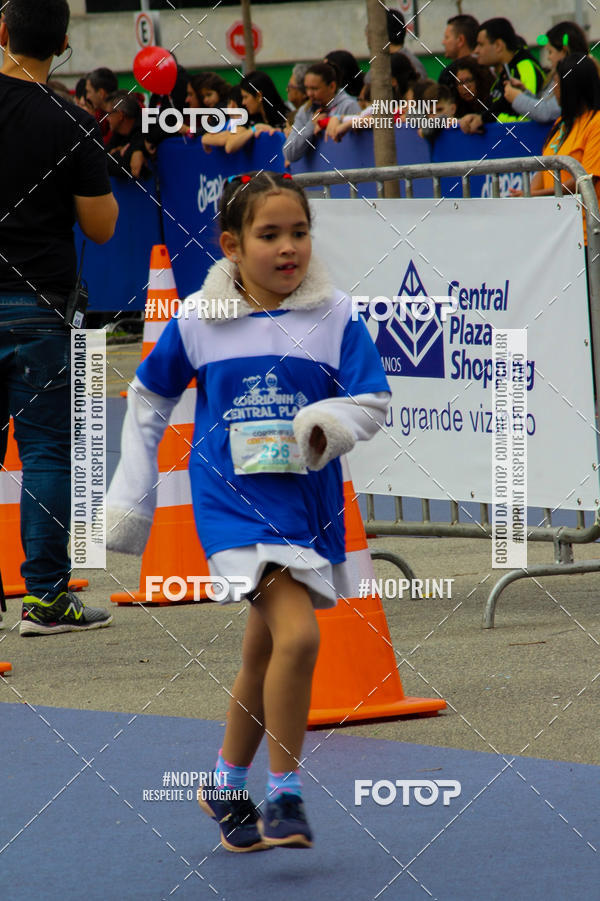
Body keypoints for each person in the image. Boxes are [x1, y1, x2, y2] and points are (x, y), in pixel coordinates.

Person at [105, 171, 390, 850]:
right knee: (299, 637)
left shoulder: (335, 314)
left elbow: (373, 400)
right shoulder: (200, 322)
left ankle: (225, 784)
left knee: (264, 651)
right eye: (269, 235)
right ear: (231, 244)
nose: (289, 247)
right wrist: (130, 497)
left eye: (299, 232)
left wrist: (325, 420)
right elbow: (148, 400)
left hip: (307, 508)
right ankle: (284, 793)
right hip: (231, 510)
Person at [0, 0, 118, 636]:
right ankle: (46, 597)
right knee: (45, 448)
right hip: (40, 304)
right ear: (64, 43)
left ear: (1, 33)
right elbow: (101, 228)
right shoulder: (71, 122)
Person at [509, 55, 600, 209]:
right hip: (560, 222)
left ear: (572, 86)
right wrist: (526, 194)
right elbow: (545, 168)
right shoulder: (561, 123)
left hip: (586, 225)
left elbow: (586, 180)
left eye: (557, 83)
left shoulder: (596, 122)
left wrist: (535, 195)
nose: (553, 90)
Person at [461, 18, 545, 132]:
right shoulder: (503, 74)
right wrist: (476, 119)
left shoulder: (525, 67)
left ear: (498, 45)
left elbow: (528, 119)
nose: (476, 51)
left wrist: (486, 120)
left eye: (480, 45)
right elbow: (493, 112)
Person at [504, 21, 588, 124]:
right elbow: (545, 104)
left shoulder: (574, 75)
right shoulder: (561, 74)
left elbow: (547, 112)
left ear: (564, 51)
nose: (548, 57)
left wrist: (517, 98)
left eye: (550, 52)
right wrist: (524, 93)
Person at [284, 62, 360, 161]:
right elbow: (289, 153)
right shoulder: (305, 110)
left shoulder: (348, 106)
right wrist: (311, 125)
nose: (309, 94)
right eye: (307, 88)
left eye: (314, 89)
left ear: (332, 86)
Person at [104, 91, 150, 180]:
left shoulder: (144, 130)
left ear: (120, 115)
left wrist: (117, 154)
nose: (106, 118)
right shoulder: (118, 134)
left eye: (108, 114)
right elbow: (101, 161)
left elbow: (126, 165)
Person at [439, 14, 479, 88]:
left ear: (460, 40)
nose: (443, 42)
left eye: (447, 37)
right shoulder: (488, 68)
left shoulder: (449, 75)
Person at [85, 66, 118, 141]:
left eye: (89, 91)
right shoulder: (99, 116)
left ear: (101, 93)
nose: (87, 97)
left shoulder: (131, 109)